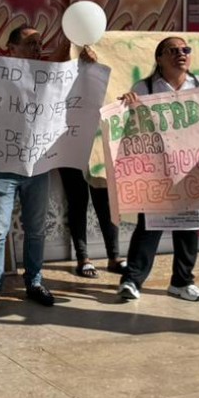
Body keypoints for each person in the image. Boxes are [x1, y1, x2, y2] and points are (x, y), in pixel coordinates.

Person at [117, 36, 199, 303]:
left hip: (192, 169)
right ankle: (132, 280)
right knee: (149, 226)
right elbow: (132, 129)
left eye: (185, 49)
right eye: (173, 50)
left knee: (189, 226)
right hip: (158, 170)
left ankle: (182, 282)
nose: (181, 54)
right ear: (159, 58)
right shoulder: (144, 88)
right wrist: (128, 107)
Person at [0, 26, 59, 317]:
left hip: (38, 165)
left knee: (36, 230)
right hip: (4, 166)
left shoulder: (49, 76)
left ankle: (34, 282)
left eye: (39, 43)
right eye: (30, 43)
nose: (37, 48)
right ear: (11, 48)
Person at [51, 43, 123, 278]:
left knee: (104, 198)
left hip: (98, 140)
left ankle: (114, 256)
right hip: (69, 140)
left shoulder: (101, 58)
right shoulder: (61, 59)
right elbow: (51, 77)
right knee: (77, 199)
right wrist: (70, 55)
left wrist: (95, 63)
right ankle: (83, 257)